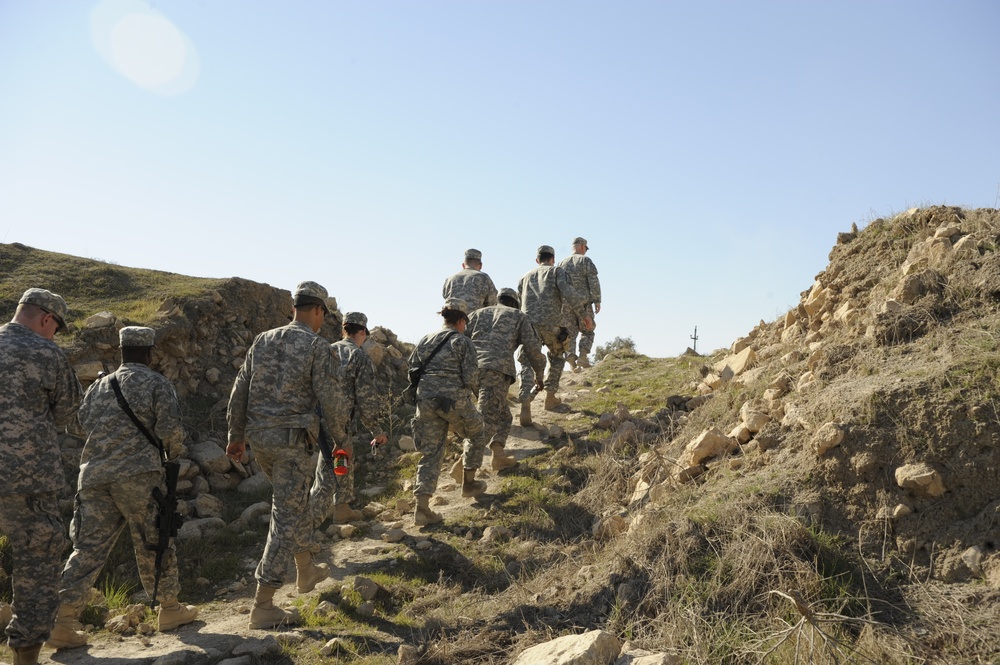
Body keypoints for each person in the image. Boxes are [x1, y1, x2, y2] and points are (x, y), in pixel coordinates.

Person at [49, 326, 198, 650]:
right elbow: (170, 429)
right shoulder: (157, 383)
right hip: (139, 476)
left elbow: (77, 426)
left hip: (94, 477)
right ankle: (170, 609)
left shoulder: (102, 385)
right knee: (153, 540)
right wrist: (172, 454)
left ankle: (62, 621)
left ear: (120, 350)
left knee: (86, 550)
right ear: (148, 352)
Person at [226, 281, 350, 630]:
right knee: (286, 513)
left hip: (260, 441)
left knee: (291, 505)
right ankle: (264, 603)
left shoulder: (263, 340)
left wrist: (236, 436)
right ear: (317, 311)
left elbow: (240, 391)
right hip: (292, 441)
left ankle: (306, 568)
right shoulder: (317, 346)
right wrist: (342, 441)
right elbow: (331, 401)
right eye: (322, 316)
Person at [0, 288, 82, 665]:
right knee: (37, 565)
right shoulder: (47, 353)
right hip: (26, 480)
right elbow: (67, 411)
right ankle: (25, 658)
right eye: (56, 328)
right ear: (47, 319)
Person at [409, 299, 488, 526]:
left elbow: (412, 368)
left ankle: (422, 509)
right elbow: (471, 377)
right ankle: (469, 483)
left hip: (424, 399)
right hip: (452, 399)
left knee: (431, 453)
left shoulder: (426, 339)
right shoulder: (463, 342)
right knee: (476, 431)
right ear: (462, 320)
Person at [310, 311, 388, 526]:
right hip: (338, 422)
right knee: (329, 471)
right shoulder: (359, 356)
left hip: (314, 418)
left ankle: (342, 509)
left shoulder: (326, 350)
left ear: (344, 329)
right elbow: (366, 399)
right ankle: (305, 529)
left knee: (341, 461)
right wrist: (377, 430)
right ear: (363, 332)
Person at [466, 288, 545, 470]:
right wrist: (539, 375)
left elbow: (460, 340)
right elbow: (532, 349)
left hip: (472, 372)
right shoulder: (518, 316)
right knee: (488, 420)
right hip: (496, 372)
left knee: (503, 416)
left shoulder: (476, 314)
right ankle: (464, 468)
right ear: (515, 303)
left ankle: (498, 456)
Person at [517, 245, 579, 424]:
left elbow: (519, 299)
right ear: (553, 258)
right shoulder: (557, 271)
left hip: (528, 326)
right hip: (553, 325)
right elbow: (568, 293)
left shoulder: (524, 277)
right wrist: (583, 314)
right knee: (558, 356)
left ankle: (525, 402)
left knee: (527, 361)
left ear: (537, 260)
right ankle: (550, 397)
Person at [558, 237, 600, 370]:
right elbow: (593, 281)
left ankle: (571, 360)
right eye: (586, 248)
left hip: (566, 304)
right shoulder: (585, 261)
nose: (586, 251)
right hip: (583, 303)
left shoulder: (561, 263)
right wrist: (597, 300)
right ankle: (582, 357)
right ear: (582, 246)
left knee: (570, 333)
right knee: (588, 330)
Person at [441, 248, 498, 313]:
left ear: (463, 265)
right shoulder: (484, 278)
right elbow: (493, 303)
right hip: (474, 321)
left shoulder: (449, 280)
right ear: (481, 265)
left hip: (452, 321)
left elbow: (446, 299)